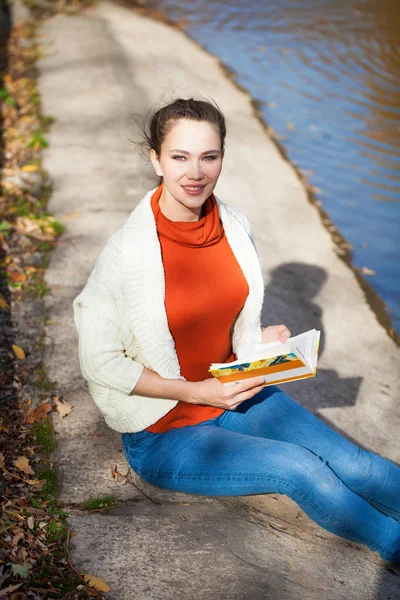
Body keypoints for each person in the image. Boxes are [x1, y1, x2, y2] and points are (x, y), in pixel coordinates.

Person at [72, 97, 400, 563]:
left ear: (222, 156)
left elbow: (220, 321)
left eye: (209, 156)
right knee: (301, 469)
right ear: (155, 159)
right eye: (179, 157)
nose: (195, 172)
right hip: (166, 432)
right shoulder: (126, 253)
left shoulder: (235, 226)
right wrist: (194, 392)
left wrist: (258, 341)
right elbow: (99, 362)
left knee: (356, 464)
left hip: (234, 389)